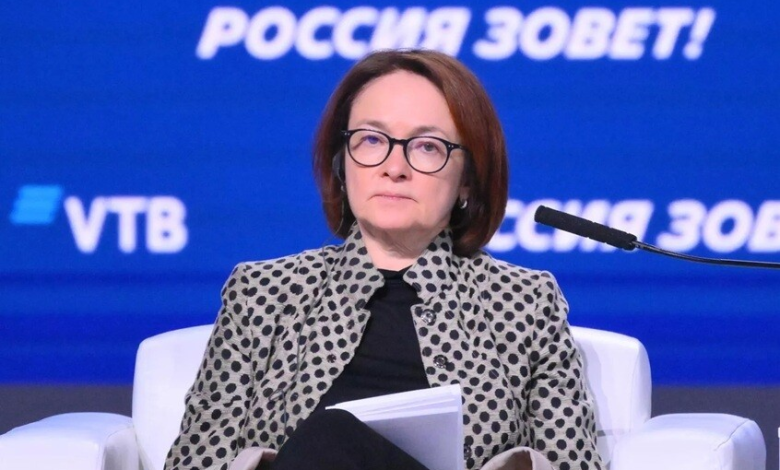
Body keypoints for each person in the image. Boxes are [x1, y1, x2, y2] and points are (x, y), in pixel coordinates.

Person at [165, 49, 603, 470]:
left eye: (427, 147)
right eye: (372, 140)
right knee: (330, 438)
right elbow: (196, 461)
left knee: (332, 434)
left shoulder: (524, 303)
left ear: (468, 180)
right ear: (341, 163)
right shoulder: (263, 294)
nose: (394, 167)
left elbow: (574, 463)